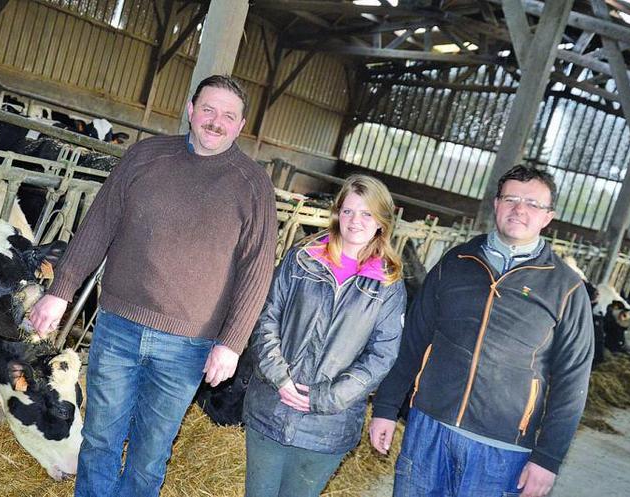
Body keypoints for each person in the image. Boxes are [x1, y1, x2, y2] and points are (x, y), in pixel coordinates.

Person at [28, 75, 277, 497]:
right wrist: (59, 291)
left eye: (228, 116)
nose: (216, 122)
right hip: (118, 325)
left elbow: (256, 271)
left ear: (241, 125)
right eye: (209, 110)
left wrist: (232, 343)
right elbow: (98, 224)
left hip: (189, 344)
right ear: (190, 108)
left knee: (150, 453)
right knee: (100, 440)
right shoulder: (145, 156)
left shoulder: (253, 186)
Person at [369, 165, 594, 497]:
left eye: (533, 203)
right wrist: (386, 407)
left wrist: (547, 459)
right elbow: (413, 340)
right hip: (428, 429)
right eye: (511, 198)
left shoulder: (566, 289)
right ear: (496, 204)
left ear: (548, 217)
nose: (519, 209)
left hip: (503, 451)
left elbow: (572, 383)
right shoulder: (456, 262)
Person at [243, 174, 407, 497]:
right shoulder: (302, 258)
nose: (355, 221)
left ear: (381, 222)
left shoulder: (388, 285)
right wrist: (280, 378)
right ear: (337, 214)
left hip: (328, 427)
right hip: (271, 408)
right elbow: (266, 316)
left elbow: (381, 357)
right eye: (347, 211)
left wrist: (323, 397)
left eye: (366, 213)